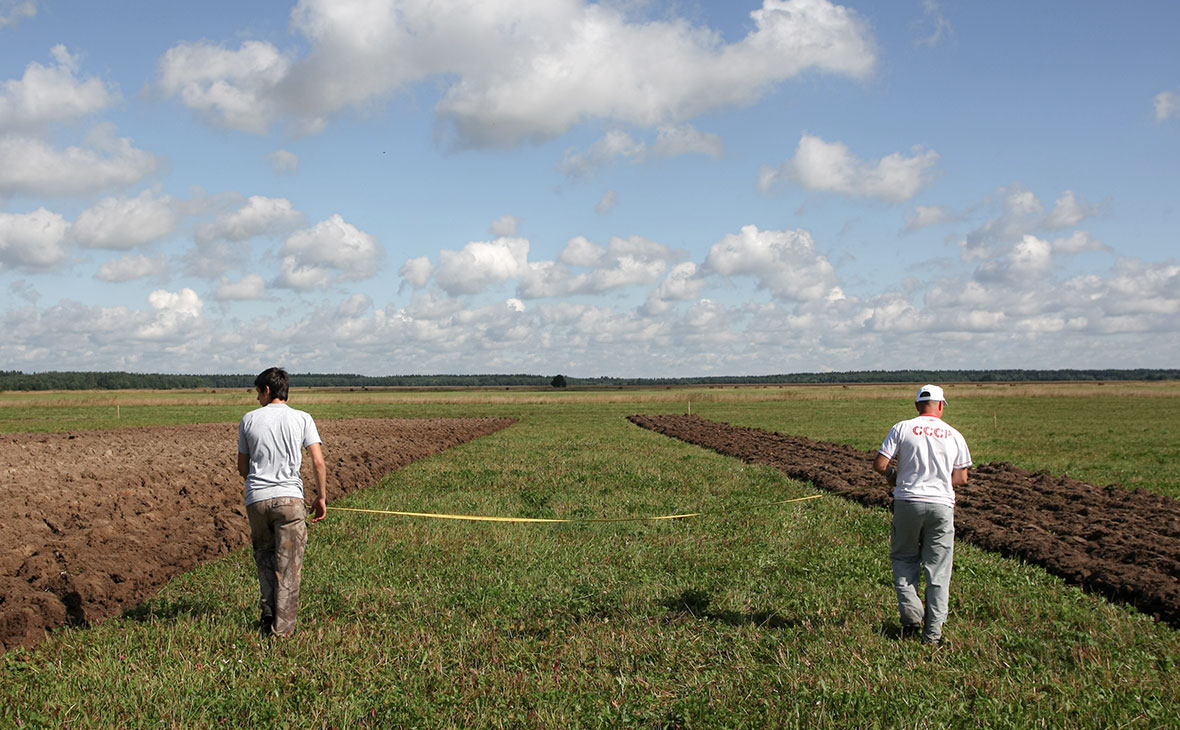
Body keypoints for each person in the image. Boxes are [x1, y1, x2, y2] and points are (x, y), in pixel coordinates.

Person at [872, 384, 971, 646]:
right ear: (940, 406)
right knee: (938, 571)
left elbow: (880, 464)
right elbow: (961, 478)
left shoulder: (902, 427)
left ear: (917, 406)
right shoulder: (954, 435)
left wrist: (893, 476)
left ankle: (912, 618)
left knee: (904, 559)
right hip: (941, 506)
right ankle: (933, 635)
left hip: (907, 503)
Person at [237, 367, 328, 637]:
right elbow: (318, 461)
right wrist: (320, 496)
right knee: (288, 566)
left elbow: (243, 467)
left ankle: (268, 612)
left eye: (258, 393)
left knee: (264, 557)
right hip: (290, 500)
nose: (257, 399)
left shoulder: (249, 419)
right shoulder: (302, 418)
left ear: (267, 391)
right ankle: (282, 631)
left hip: (256, 500)